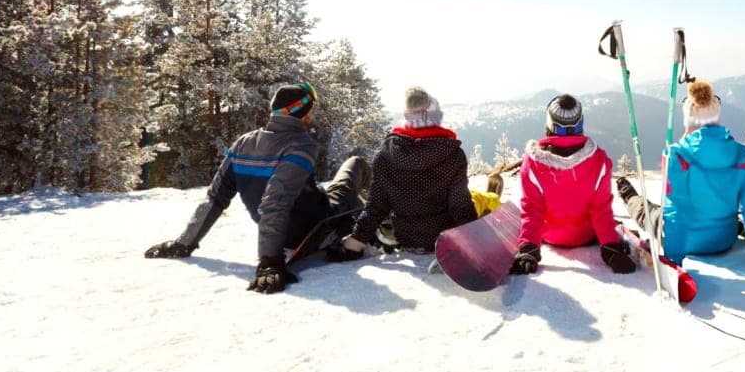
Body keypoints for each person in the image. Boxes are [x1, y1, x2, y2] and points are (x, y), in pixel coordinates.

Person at [144, 82, 372, 294]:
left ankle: (366, 214)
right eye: (309, 110)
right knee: (356, 164)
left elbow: (216, 198)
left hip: (281, 233)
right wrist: (269, 262)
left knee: (336, 189)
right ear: (299, 112)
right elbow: (276, 202)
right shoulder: (301, 145)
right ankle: (377, 216)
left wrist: (184, 243)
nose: (312, 116)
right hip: (317, 225)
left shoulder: (243, 143)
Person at [616, 80, 745, 280]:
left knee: (648, 212)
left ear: (688, 118)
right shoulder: (743, 156)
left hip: (687, 241)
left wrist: (674, 261)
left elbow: (675, 213)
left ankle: (628, 194)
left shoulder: (677, 155)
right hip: (724, 239)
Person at [334, 87, 479, 258]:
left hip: (406, 237)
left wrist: (356, 241)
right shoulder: (452, 154)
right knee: (478, 199)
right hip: (444, 238)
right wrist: (477, 242)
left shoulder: (386, 155)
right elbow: (460, 206)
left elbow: (376, 206)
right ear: (436, 118)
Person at [510, 94, 636, 276]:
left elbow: (533, 209)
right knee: (602, 213)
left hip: (550, 236)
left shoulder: (532, 163)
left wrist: (528, 248)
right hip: (586, 236)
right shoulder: (599, 160)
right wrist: (610, 247)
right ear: (580, 123)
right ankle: (613, 234)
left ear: (550, 124)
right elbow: (601, 209)